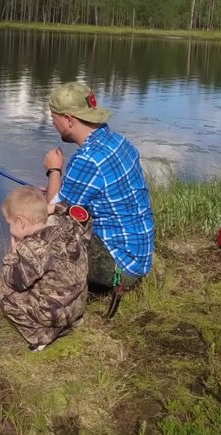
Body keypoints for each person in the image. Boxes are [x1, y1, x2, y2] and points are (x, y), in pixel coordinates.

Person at [42, 82, 155, 290]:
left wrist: (54, 170)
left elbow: (52, 209)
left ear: (68, 120)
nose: (53, 123)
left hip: (119, 270)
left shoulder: (87, 159)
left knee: (38, 222)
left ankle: (36, 291)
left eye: (53, 118)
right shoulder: (120, 142)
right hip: (139, 258)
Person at [0, 185, 91, 351]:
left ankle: (42, 335)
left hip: (56, 313)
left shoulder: (33, 248)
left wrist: (13, 255)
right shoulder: (70, 226)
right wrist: (56, 207)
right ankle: (74, 321)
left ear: (21, 222)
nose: (9, 228)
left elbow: (16, 282)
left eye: (9, 223)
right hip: (79, 303)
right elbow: (81, 213)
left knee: (0, 286)